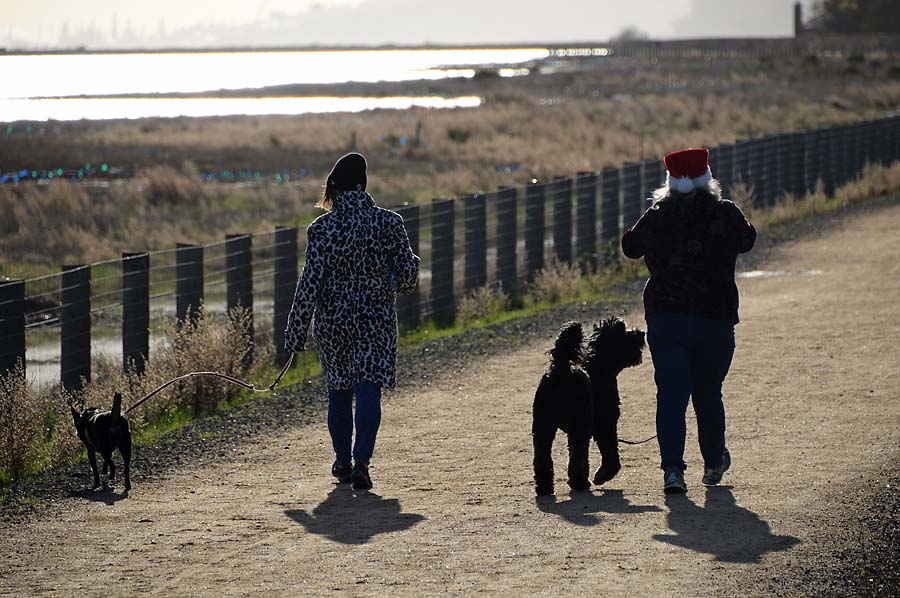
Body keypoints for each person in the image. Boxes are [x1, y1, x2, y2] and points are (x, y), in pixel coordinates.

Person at [621, 148, 756, 494]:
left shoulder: (659, 213)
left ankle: (672, 472)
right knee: (708, 392)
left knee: (671, 395)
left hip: (667, 316)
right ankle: (712, 463)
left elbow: (631, 247)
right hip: (715, 316)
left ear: (670, 181)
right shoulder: (724, 212)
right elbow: (748, 240)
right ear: (707, 177)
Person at [285, 152, 420, 491]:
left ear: (335, 189)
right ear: (364, 186)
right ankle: (362, 462)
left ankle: (342, 463)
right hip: (376, 318)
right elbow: (408, 276)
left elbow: (309, 284)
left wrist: (296, 331)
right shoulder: (389, 223)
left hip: (333, 322)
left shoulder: (322, 229)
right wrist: (395, 278)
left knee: (339, 392)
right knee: (369, 386)